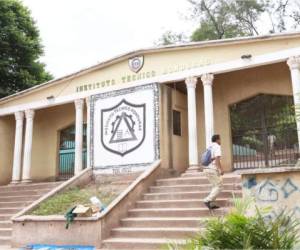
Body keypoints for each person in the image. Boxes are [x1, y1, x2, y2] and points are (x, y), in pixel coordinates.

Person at [203, 134, 224, 210]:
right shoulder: (217, 146)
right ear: (217, 140)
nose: (220, 141)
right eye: (220, 139)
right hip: (212, 169)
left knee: (215, 186)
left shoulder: (209, 147)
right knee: (219, 186)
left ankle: (212, 204)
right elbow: (217, 159)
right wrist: (221, 169)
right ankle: (207, 200)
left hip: (206, 169)